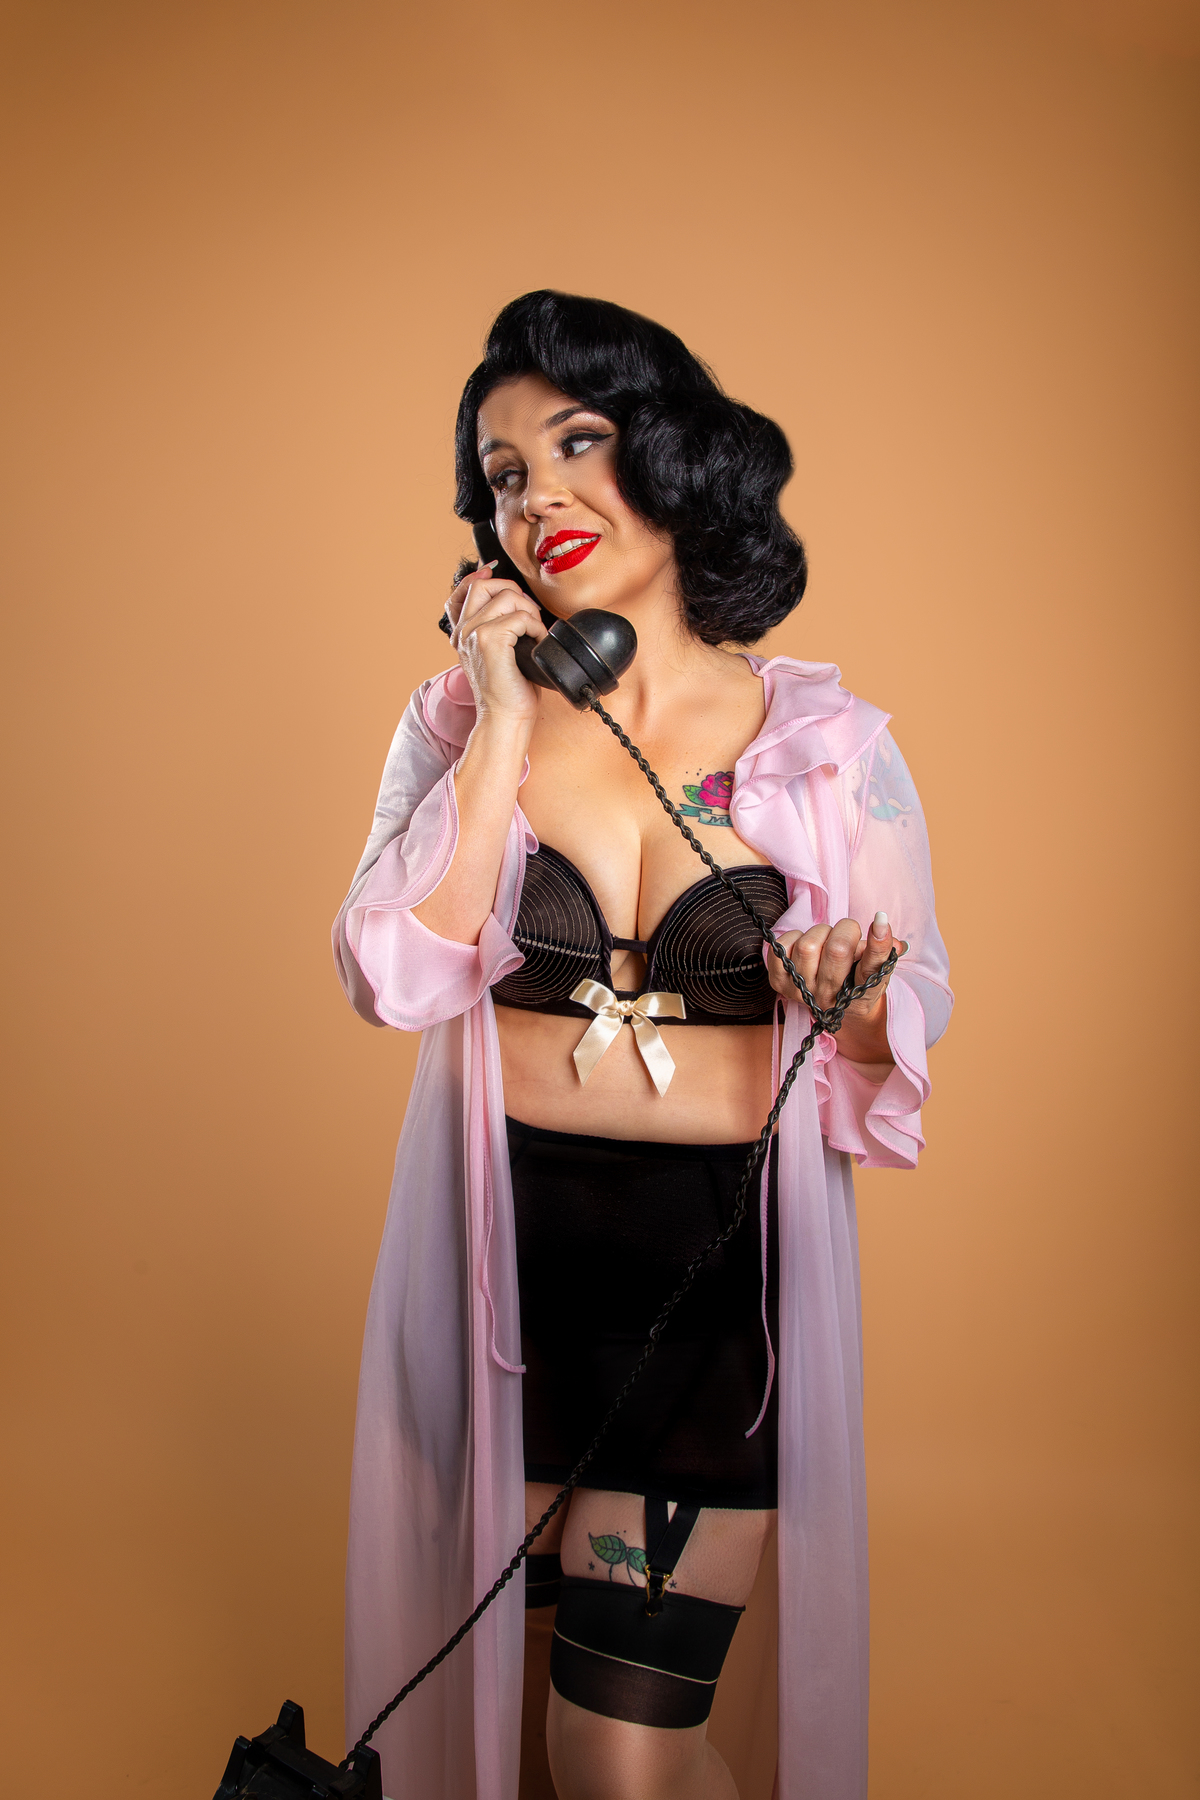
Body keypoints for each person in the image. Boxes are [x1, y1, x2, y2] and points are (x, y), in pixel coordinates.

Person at [333, 290, 952, 1800]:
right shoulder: (454, 726)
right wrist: (497, 722)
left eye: (576, 444)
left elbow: (907, 1021)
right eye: (503, 475)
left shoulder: (829, 750)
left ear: (671, 457)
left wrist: (855, 994)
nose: (535, 496)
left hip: (704, 1318)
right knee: (509, 1751)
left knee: (619, 1764)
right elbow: (390, 968)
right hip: (497, 1303)